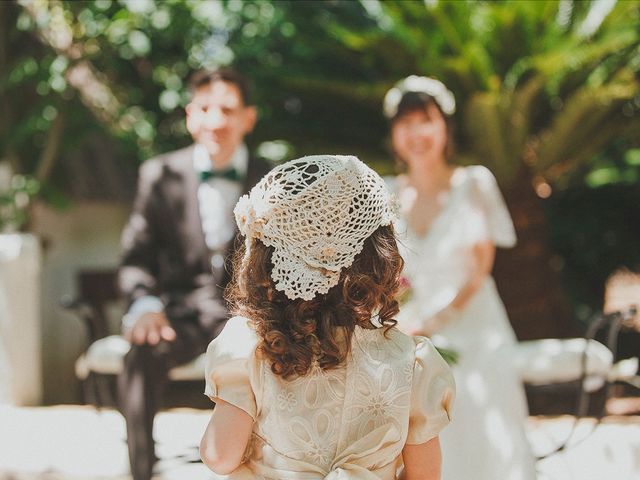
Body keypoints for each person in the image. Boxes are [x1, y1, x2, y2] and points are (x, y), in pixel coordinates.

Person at [200, 155, 455, 479]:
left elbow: (220, 456)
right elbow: (425, 476)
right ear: (376, 257)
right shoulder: (410, 362)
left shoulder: (251, 348)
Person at [117, 68, 272, 480]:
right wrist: (145, 306)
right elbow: (135, 258)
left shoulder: (273, 177)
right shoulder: (158, 174)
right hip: (180, 318)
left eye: (228, 109)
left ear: (248, 118)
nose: (216, 121)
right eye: (205, 108)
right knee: (140, 355)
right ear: (190, 115)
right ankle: (141, 470)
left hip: (251, 319)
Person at [383, 76, 537, 480]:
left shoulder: (474, 183)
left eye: (425, 121)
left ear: (444, 127)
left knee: (482, 431)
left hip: (474, 327)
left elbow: (479, 269)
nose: (416, 134)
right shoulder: (384, 192)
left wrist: (437, 322)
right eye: (406, 124)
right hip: (408, 333)